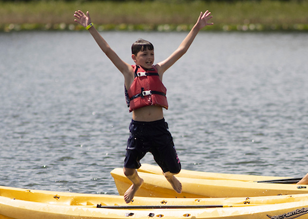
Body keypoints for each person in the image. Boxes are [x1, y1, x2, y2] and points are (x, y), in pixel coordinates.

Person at [73, 10, 214, 202]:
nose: (149, 57)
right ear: (134, 58)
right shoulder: (128, 72)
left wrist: (196, 28)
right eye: (144, 54)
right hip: (139, 129)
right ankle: (137, 183)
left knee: (175, 168)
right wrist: (90, 27)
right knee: (128, 169)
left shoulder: (159, 70)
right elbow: (107, 50)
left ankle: (168, 176)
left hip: (159, 128)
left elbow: (181, 50)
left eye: (152, 54)